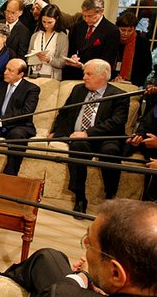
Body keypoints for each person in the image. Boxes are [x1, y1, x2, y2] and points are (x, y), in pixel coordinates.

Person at [0, 199, 157, 297]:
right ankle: (2, 276)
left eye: (90, 243)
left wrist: (83, 276)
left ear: (116, 273)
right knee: (47, 257)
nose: (85, 244)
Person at [50, 59, 129, 215]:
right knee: (77, 146)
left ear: (103, 75)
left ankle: (110, 197)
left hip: (106, 138)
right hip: (80, 137)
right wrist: (56, 131)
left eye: (89, 74)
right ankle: (80, 197)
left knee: (111, 152)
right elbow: (64, 112)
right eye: (84, 73)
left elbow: (117, 122)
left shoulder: (119, 95)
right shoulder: (78, 90)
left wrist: (87, 133)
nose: (84, 77)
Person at [64, 0, 120, 80]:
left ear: (101, 11)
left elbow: (107, 62)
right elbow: (72, 49)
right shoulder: (78, 26)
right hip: (74, 75)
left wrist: (83, 66)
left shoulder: (112, 31)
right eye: (84, 16)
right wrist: (73, 58)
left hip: (95, 77)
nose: (86, 19)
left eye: (90, 16)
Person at [27, 4, 69, 80]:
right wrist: (33, 57)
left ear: (57, 19)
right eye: (44, 21)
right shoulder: (35, 35)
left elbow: (62, 63)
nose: (46, 25)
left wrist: (50, 59)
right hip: (34, 76)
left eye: (50, 22)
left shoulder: (62, 37)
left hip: (51, 78)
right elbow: (28, 56)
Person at [112, 12, 152, 87]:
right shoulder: (113, 40)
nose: (126, 34)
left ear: (134, 29)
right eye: (123, 30)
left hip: (133, 84)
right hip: (112, 81)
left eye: (130, 30)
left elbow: (147, 67)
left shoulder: (142, 42)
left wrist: (133, 82)